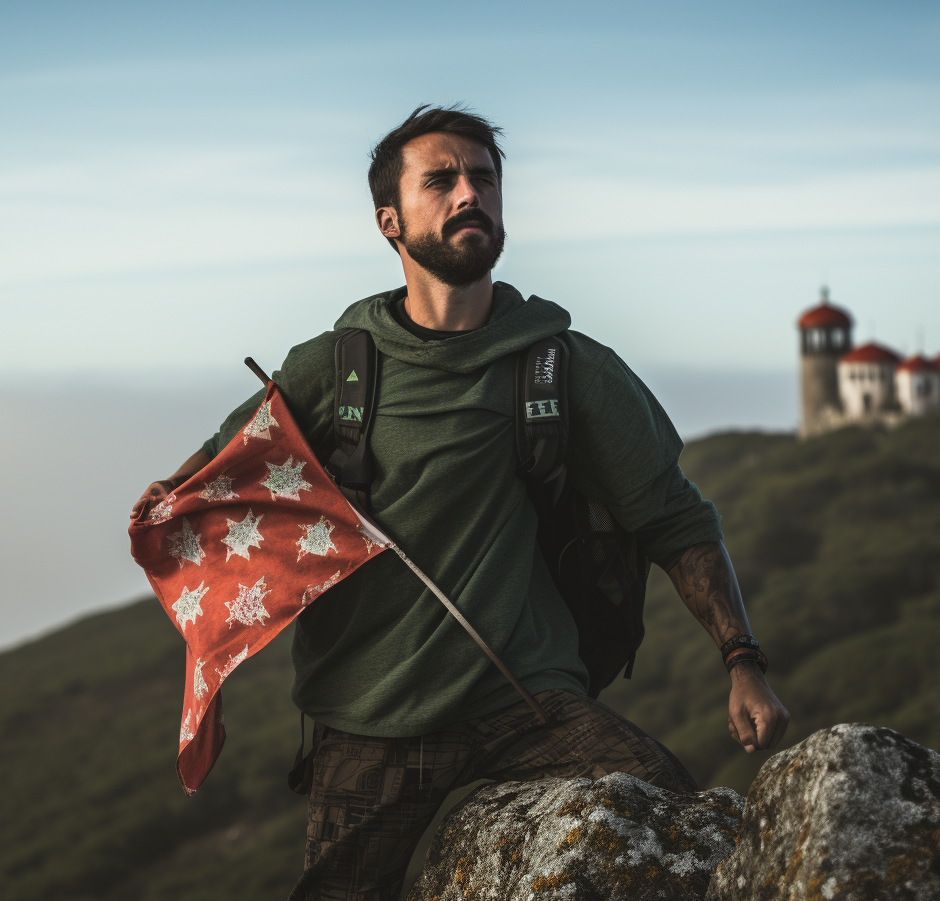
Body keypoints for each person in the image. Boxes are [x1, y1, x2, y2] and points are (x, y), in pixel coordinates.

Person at [132, 105, 789, 901]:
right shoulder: (336, 369)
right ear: (390, 221)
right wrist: (169, 501)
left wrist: (742, 662)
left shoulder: (563, 365)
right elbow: (230, 467)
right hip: (367, 712)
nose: (467, 193)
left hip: (527, 695)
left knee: (680, 829)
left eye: (483, 177)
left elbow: (673, 516)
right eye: (439, 180)